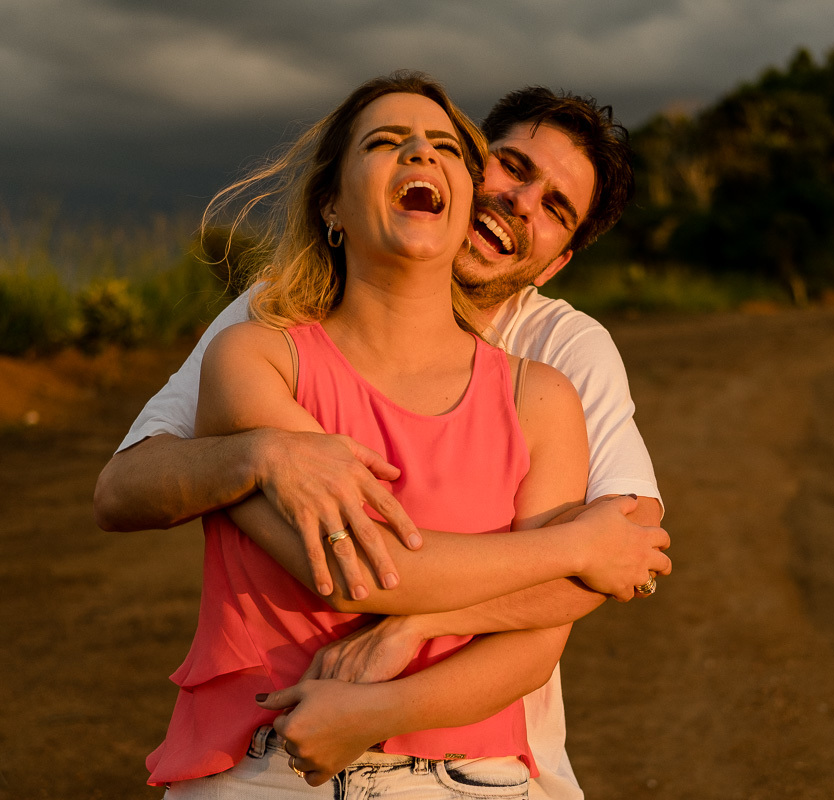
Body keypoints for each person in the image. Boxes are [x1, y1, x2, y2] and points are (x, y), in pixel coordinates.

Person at [94, 84, 663, 798]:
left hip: (479, 759)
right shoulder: (269, 330)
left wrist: (410, 633)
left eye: (555, 207)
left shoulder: (557, 368)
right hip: (271, 755)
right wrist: (257, 455)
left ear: (557, 263)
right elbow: (123, 490)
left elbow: (627, 552)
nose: (521, 201)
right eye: (513, 167)